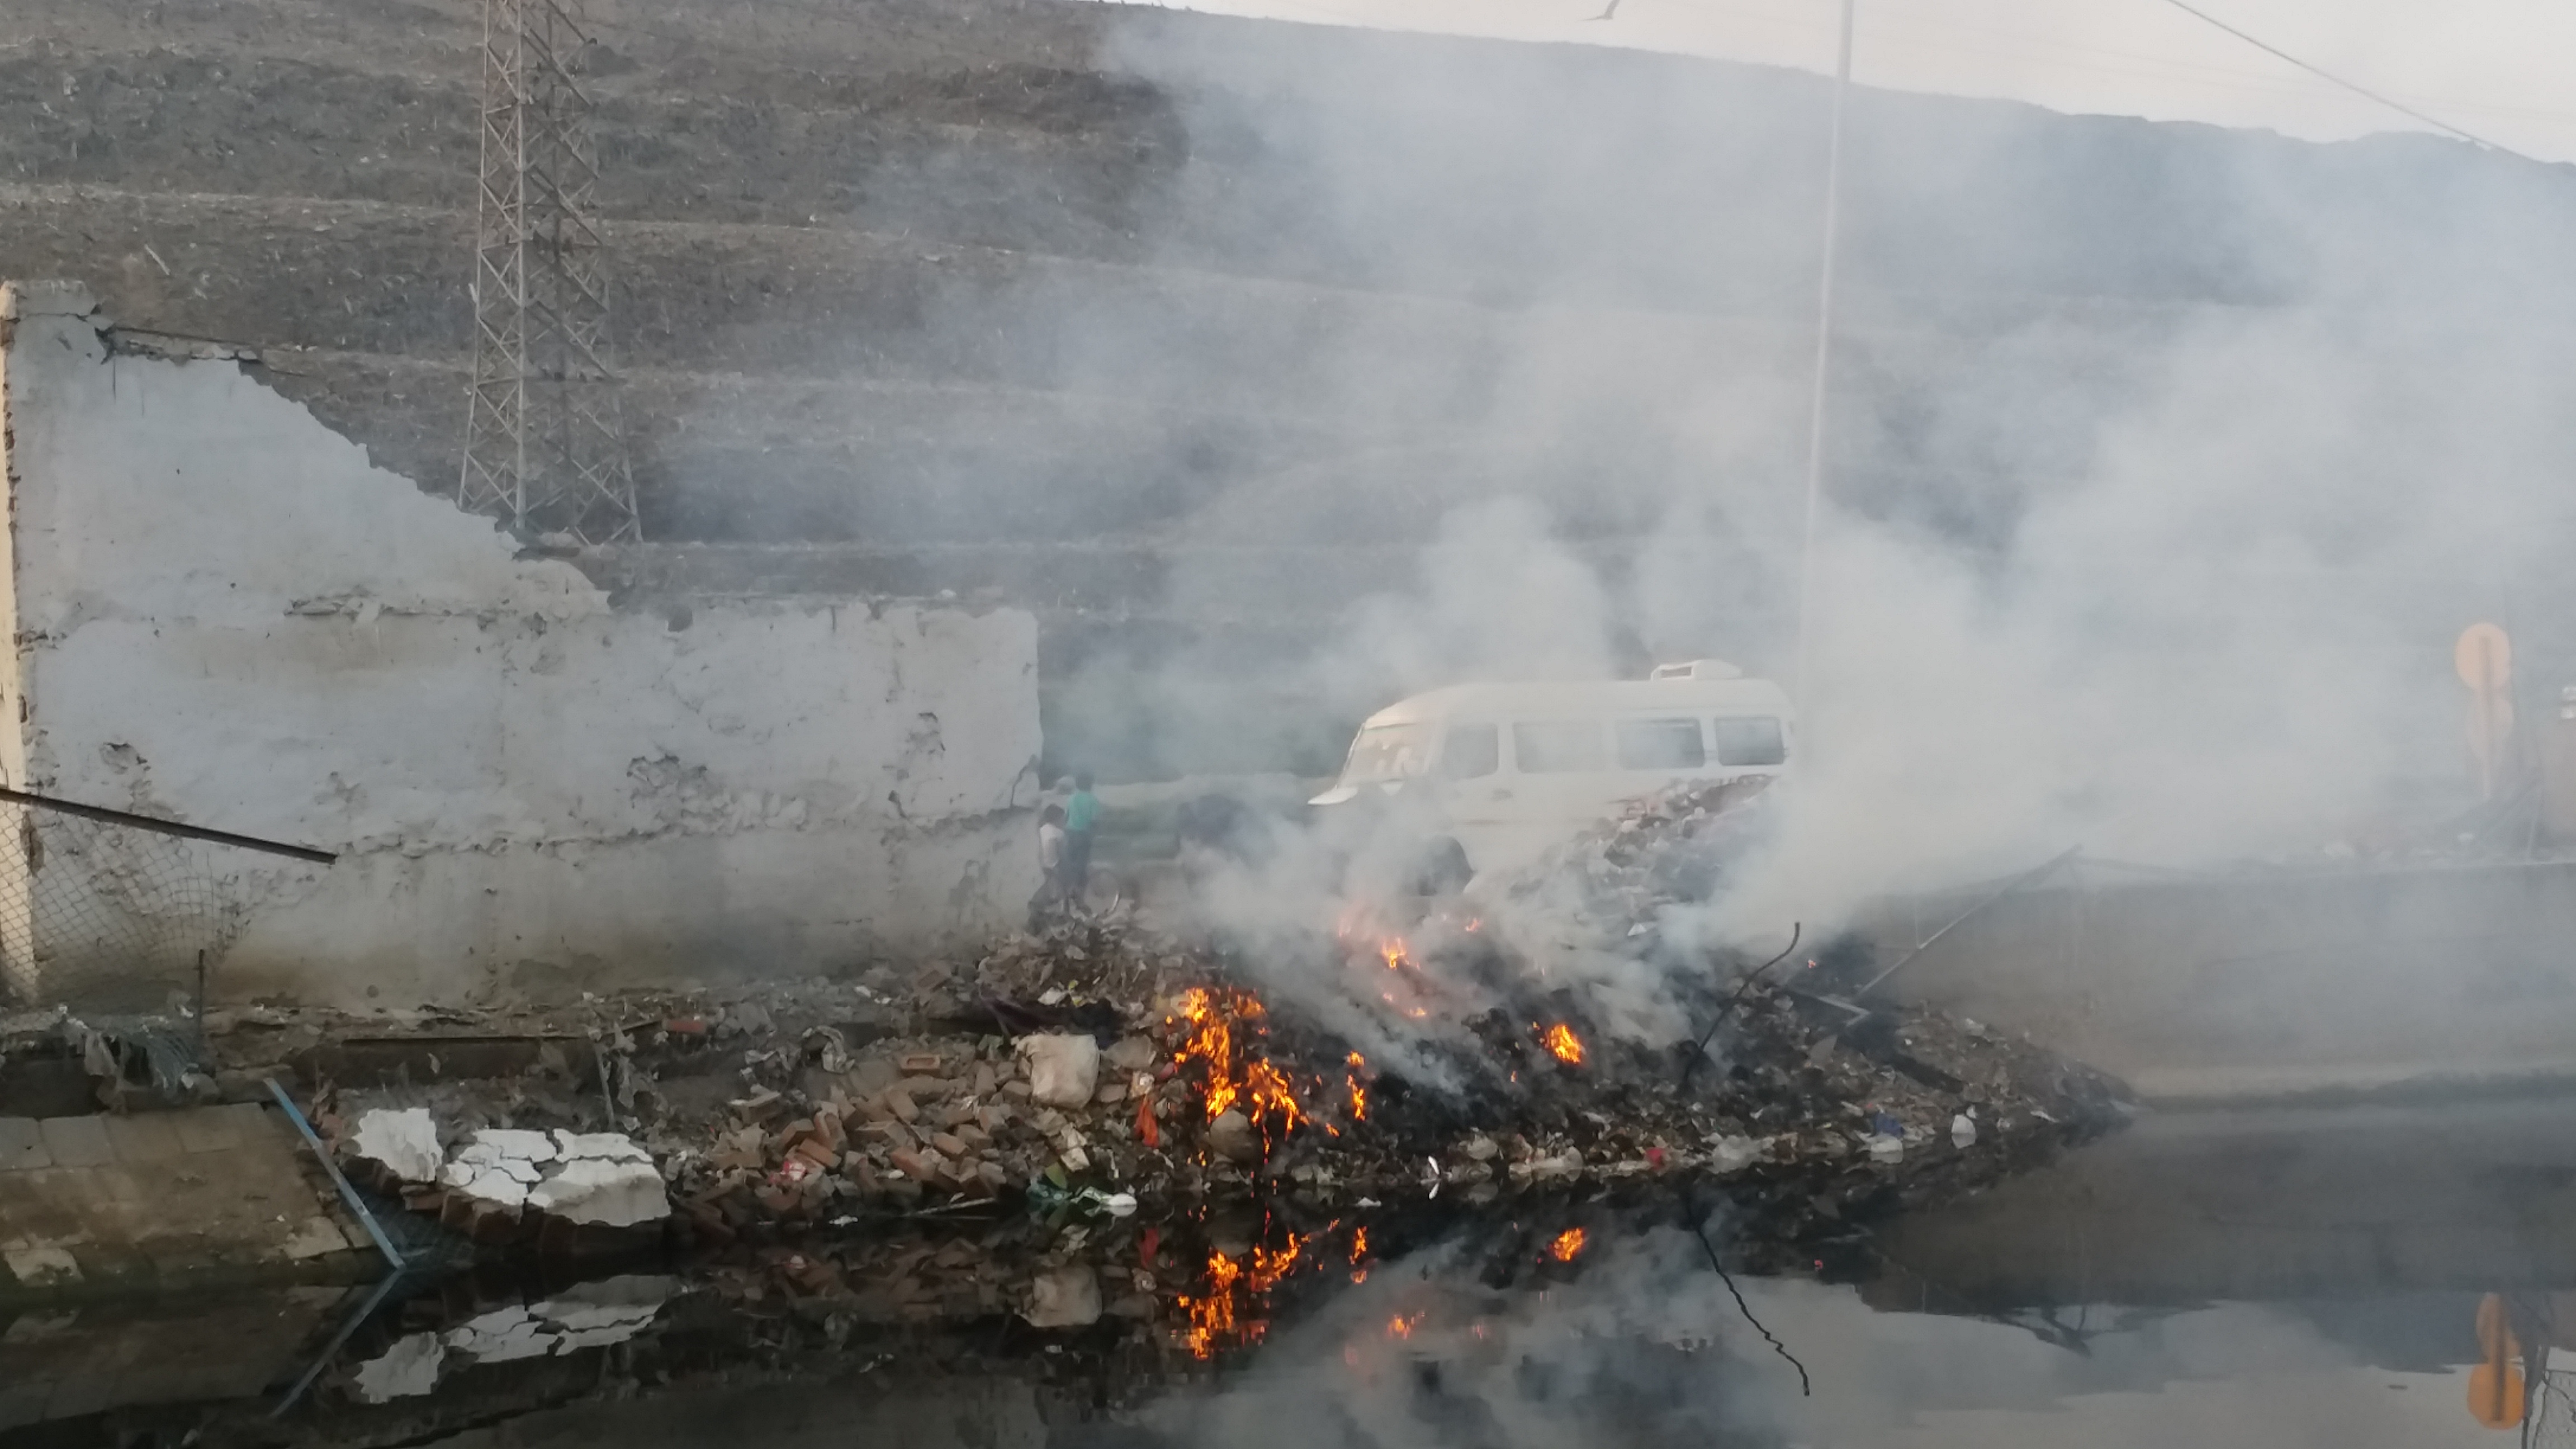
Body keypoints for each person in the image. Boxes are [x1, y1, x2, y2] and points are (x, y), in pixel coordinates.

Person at [1030, 804, 1068, 929]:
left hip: (1042, 865)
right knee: (1062, 889)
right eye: (1062, 819)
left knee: (1049, 887)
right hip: (1053, 866)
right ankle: (1062, 915)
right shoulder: (1059, 833)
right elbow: (1063, 853)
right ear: (1057, 819)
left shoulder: (1042, 829)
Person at [1063, 770, 1100, 898]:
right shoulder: (1093, 800)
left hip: (1070, 834)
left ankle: (1070, 892)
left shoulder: (1071, 798)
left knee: (1072, 865)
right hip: (1084, 835)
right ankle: (1078, 895)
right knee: (1082, 866)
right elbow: (1094, 821)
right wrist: (1094, 835)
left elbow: (1066, 817)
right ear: (1090, 784)